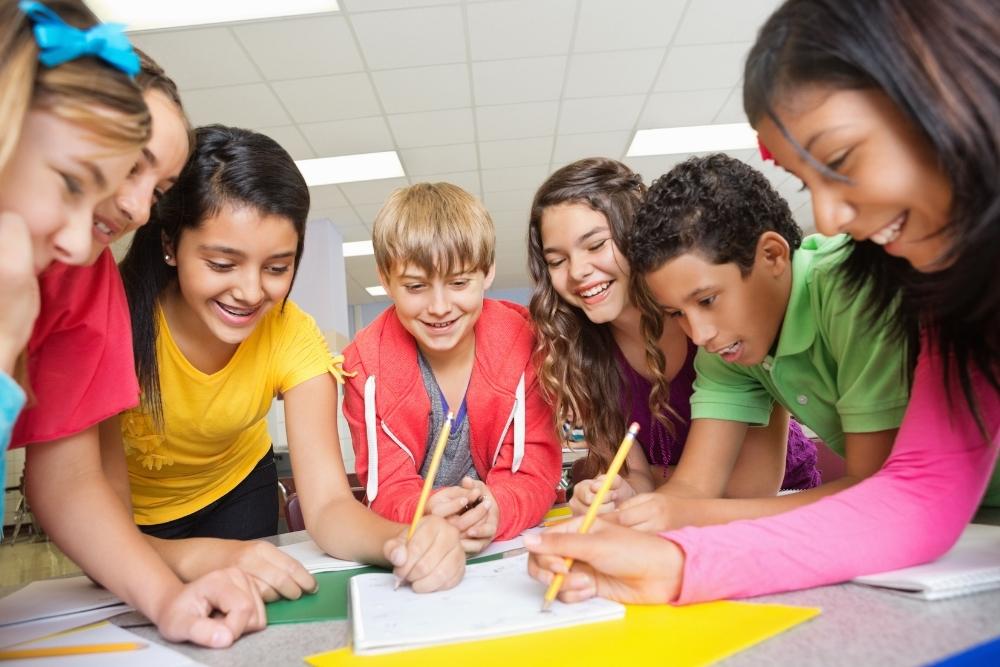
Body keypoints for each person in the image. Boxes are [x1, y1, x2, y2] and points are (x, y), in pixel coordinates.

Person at [524, 0, 999, 604]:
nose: (829, 218)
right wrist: (670, 557)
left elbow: (882, 487)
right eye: (807, 182)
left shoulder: (855, 288)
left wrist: (679, 537)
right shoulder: (943, 287)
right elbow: (921, 493)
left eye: (841, 160)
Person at [0, 0, 266, 647]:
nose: (139, 209)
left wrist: (165, 598)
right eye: (78, 179)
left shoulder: (80, 271)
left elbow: (69, 477)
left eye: (160, 188)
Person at [118, 125, 464, 593]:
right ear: (169, 245)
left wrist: (400, 541)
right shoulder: (115, 320)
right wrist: (198, 555)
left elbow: (327, 506)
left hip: (238, 494)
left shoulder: (291, 333)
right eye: (222, 264)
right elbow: (89, 514)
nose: (250, 292)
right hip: (128, 520)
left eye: (277, 268)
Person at [607, 153, 910, 531]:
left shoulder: (852, 288)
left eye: (707, 300)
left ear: (772, 255)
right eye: (677, 313)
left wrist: (687, 514)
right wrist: (625, 523)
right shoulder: (728, 348)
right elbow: (693, 488)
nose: (699, 335)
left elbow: (875, 489)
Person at [526, 157, 819, 517]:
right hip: (676, 512)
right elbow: (636, 476)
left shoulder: (719, 325)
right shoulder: (581, 353)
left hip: (779, 504)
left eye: (596, 245)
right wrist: (622, 493)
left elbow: (748, 488)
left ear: (638, 238)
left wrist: (658, 481)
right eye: (557, 261)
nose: (577, 271)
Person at [342, 182, 562, 556]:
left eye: (459, 282)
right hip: (419, 548)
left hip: (504, 552)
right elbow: (387, 488)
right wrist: (424, 510)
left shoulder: (529, 346)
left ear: (487, 272)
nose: (440, 307)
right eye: (416, 287)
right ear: (385, 280)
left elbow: (534, 474)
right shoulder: (364, 367)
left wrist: (498, 509)